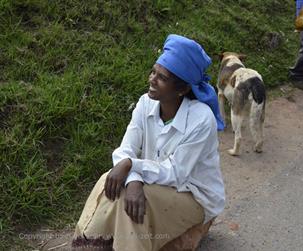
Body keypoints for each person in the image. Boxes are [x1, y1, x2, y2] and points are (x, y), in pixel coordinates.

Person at [71, 34, 226, 251]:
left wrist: (131, 166)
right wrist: (133, 176)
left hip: (194, 194)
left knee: (133, 199)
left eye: (162, 77)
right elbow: (126, 149)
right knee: (113, 180)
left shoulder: (201, 119)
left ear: (182, 89)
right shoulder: (145, 103)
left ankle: (103, 244)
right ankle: (89, 243)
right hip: (156, 181)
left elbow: (176, 173)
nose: (152, 79)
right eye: (153, 71)